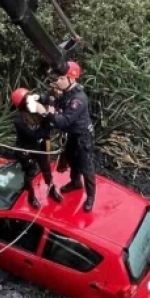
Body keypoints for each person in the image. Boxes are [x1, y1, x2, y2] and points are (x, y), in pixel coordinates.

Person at [45, 61, 98, 212]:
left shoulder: (78, 100)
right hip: (72, 134)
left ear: (71, 79)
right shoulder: (67, 93)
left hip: (83, 136)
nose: (58, 81)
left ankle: (91, 197)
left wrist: (48, 113)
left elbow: (63, 121)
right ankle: (75, 182)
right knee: (71, 159)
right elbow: (59, 106)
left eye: (61, 79)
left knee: (86, 167)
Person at [10, 87, 63, 209]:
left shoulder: (36, 107)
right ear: (22, 104)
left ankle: (51, 190)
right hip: (27, 149)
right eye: (27, 99)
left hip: (40, 146)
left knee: (46, 169)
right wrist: (48, 121)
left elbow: (48, 96)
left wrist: (46, 99)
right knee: (30, 172)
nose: (30, 100)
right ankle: (31, 196)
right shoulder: (19, 120)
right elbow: (35, 135)